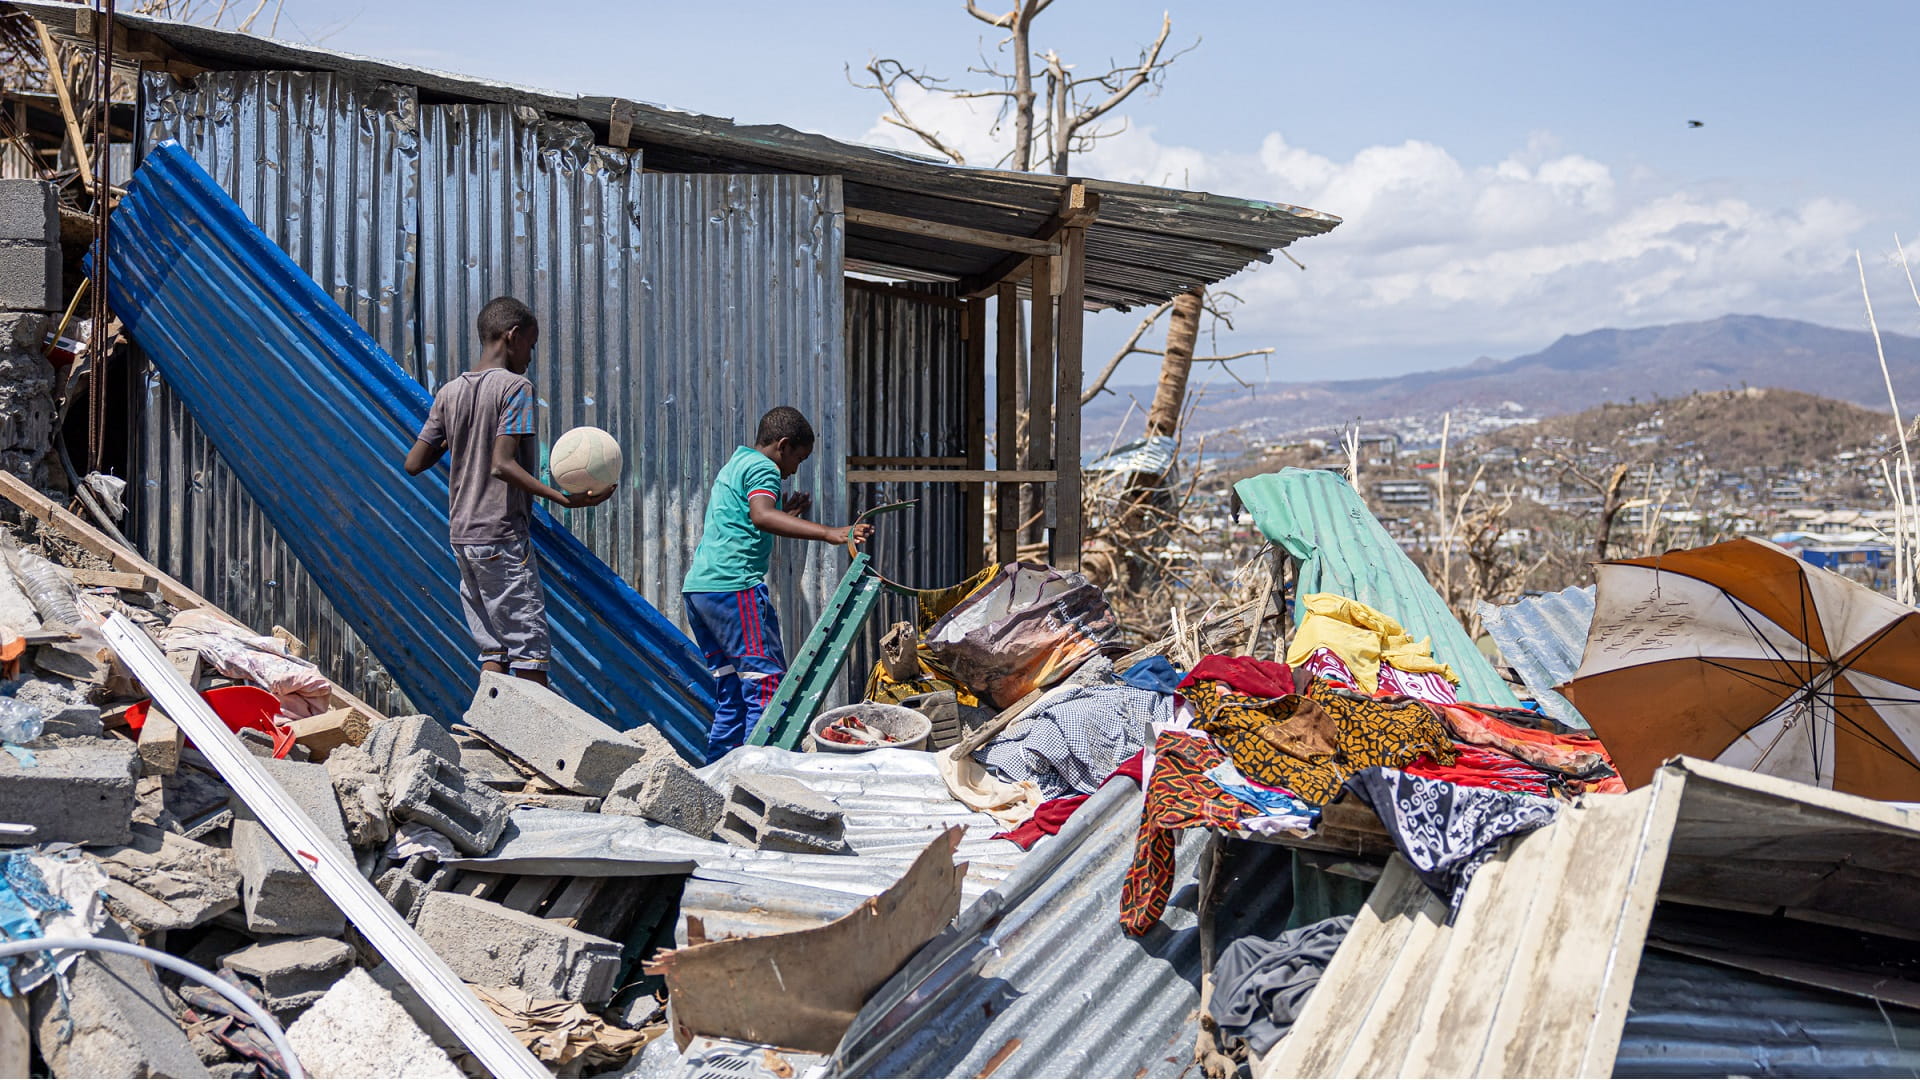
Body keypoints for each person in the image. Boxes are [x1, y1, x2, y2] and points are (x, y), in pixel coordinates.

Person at [403, 296, 611, 687]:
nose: (530, 357)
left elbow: (413, 463)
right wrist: (563, 499)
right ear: (512, 336)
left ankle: (491, 724)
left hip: (463, 537)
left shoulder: (450, 393)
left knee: (493, 651)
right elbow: (502, 464)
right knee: (529, 653)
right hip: (500, 535)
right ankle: (532, 729)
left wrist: (462, 431)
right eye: (530, 345)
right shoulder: (516, 387)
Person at [683, 406, 872, 762]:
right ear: (783, 445)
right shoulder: (764, 468)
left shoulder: (737, 463)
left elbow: (746, 519)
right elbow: (761, 516)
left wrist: (786, 516)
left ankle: (718, 772)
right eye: (798, 458)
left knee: (732, 690)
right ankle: (759, 773)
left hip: (701, 590)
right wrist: (831, 533)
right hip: (734, 588)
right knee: (766, 684)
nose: (794, 470)